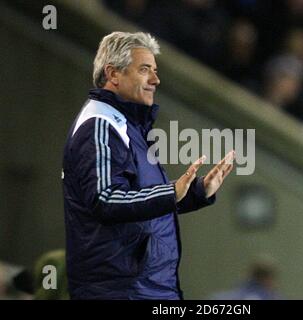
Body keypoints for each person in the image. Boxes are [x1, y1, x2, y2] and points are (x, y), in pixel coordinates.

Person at [62, 31, 235, 300]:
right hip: (121, 291)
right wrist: (170, 192)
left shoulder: (129, 126)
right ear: (113, 74)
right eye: (145, 70)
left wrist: (197, 192)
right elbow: (105, 199)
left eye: (154, 70)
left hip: (148, 288)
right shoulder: (99, 126)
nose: (156, 80)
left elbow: (143, 203)